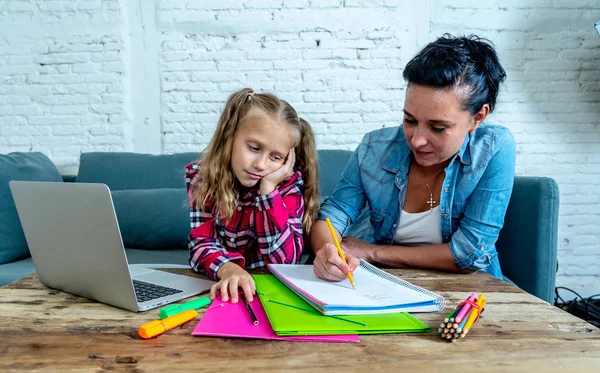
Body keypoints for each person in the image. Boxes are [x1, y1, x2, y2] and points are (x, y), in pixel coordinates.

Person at [311, 34, 516, 282]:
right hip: (379, 284)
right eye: (410, 120)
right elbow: (333, 215)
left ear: (477, 118)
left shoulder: (494, 147)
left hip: (469, 291)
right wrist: (326, 251)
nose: (417, 140)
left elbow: (469, 253)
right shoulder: (374, 148)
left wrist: (374, 252)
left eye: (437, 127)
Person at [186, 88, 319, 303]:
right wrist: (228, 269)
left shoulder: (287, 187)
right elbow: (201, 242)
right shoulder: (202, 177)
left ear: (287, 160)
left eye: (275, 157)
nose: (260, 164)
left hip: (273, 294)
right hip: (225, 287)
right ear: (230, 136)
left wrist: (269, 192)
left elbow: (285, 262)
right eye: (254, 148)